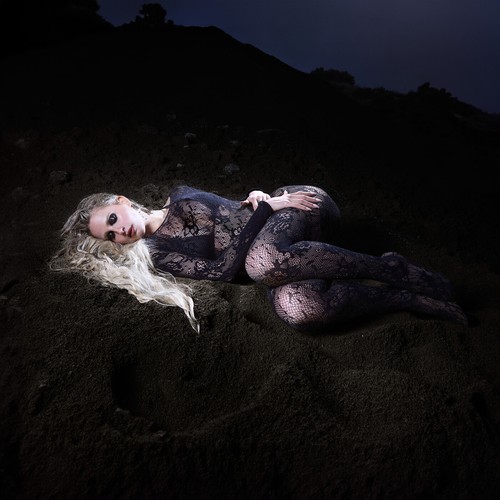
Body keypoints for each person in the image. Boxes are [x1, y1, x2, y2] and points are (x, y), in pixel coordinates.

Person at [50, 184, 468, 332]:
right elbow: (222, 270)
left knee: (260, 261)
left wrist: (261, 199)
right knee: (298, 309)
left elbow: (235, 211)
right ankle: (405, 298)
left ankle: (391, 269)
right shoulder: (159, 255)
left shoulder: (178, 194)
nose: (119, 231)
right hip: (279, 259)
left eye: (112, 219)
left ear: (122, 202)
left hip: (298, 206)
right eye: (110, 235)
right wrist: (263, 207)